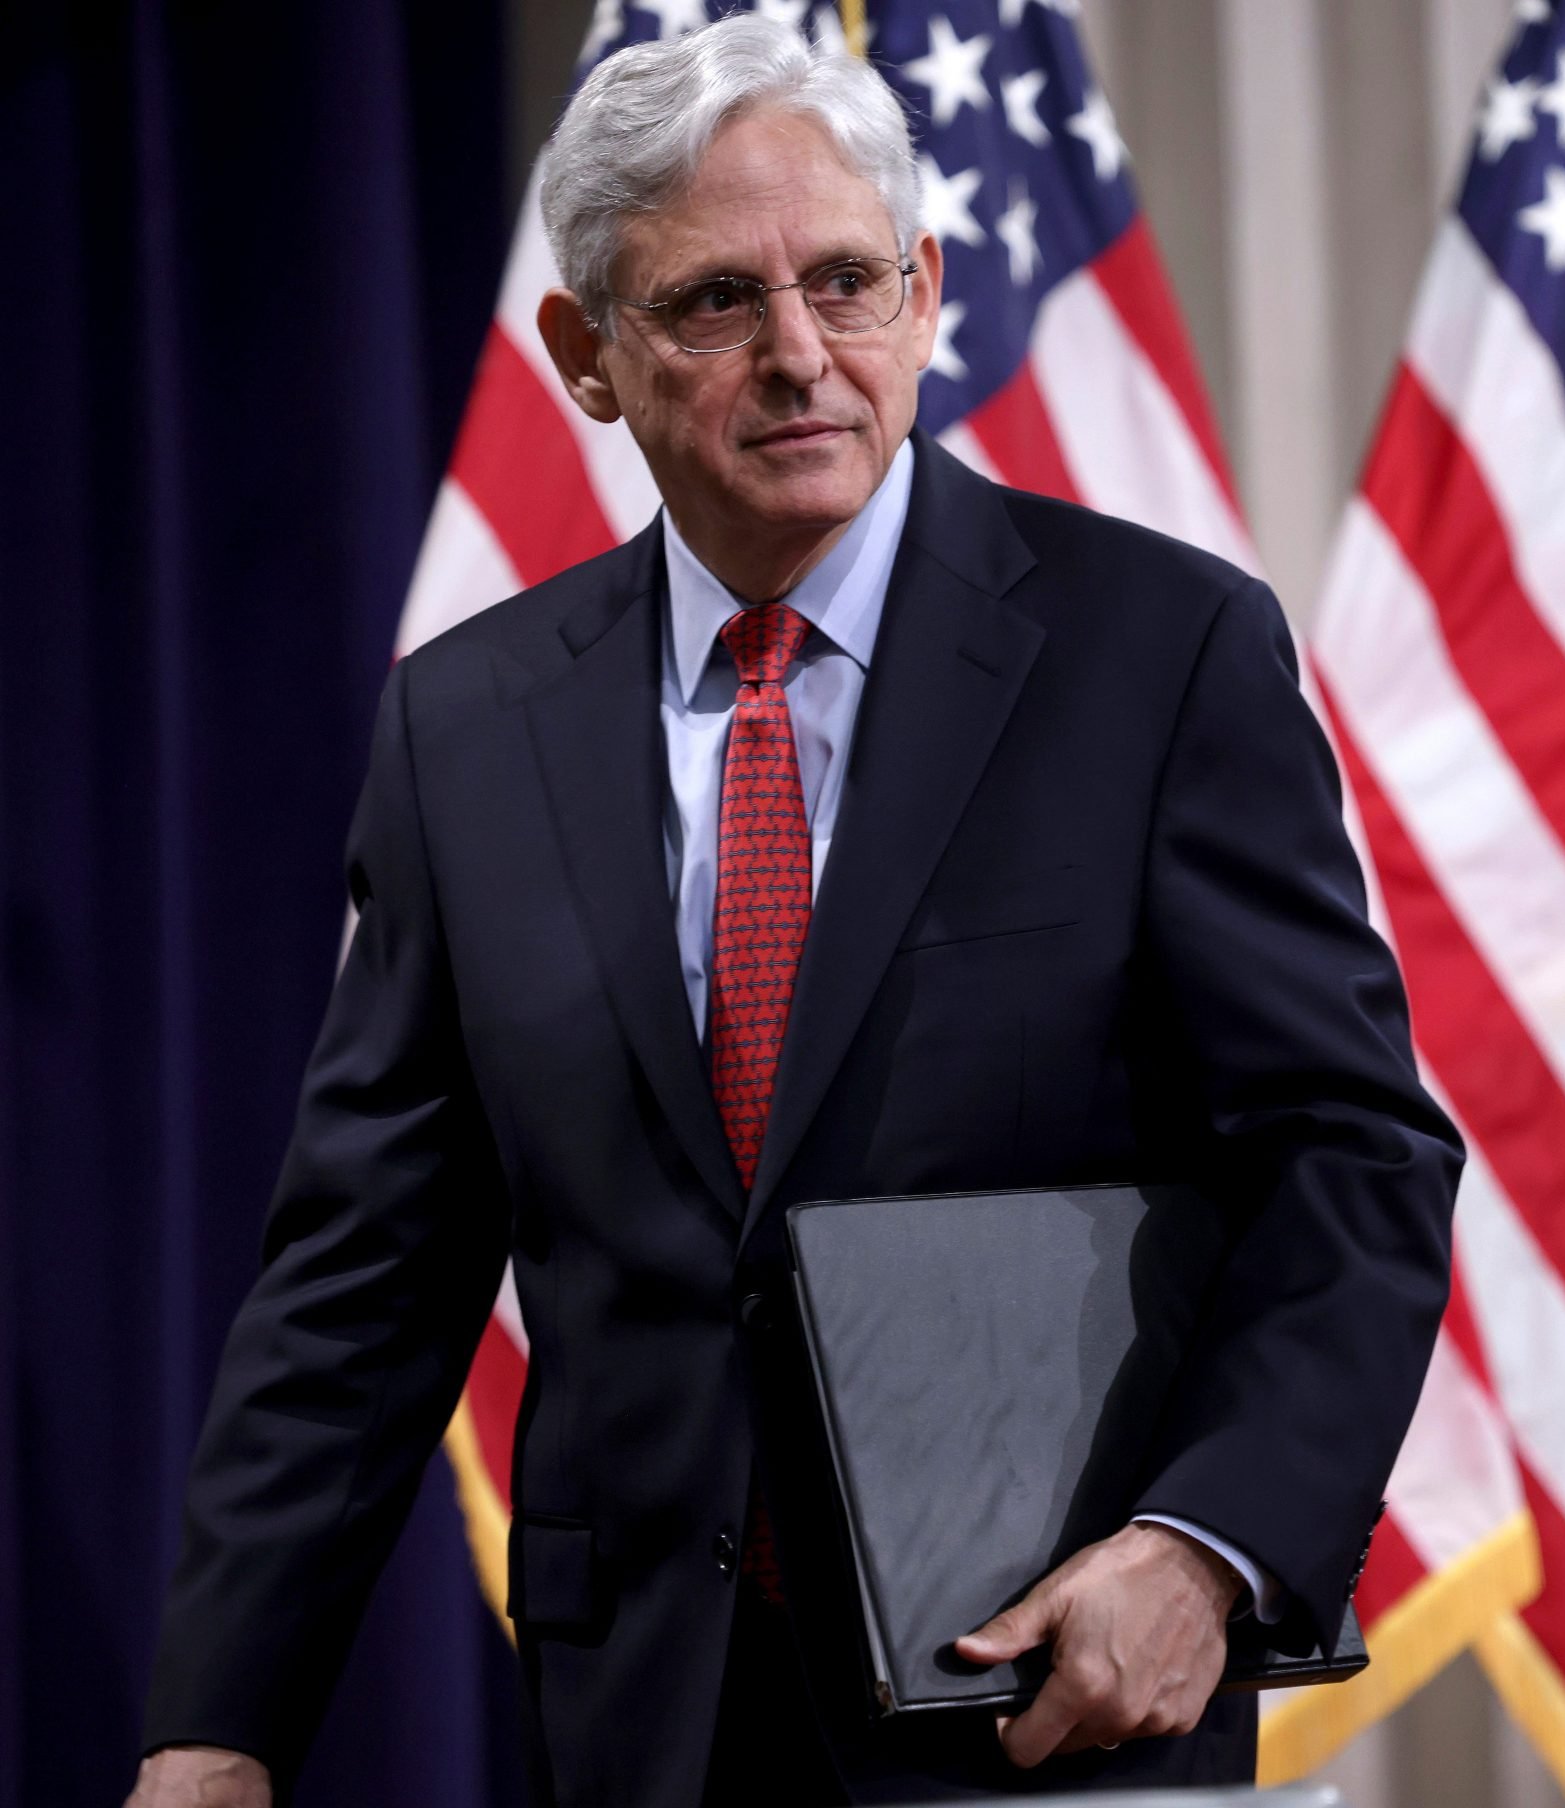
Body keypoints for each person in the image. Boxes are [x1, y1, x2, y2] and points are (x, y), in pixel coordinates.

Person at [126, 17, 1460, 1807]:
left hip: (1050, 1700)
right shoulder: (466, 728)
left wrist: (1207, 1547)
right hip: (648, 1729)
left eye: (846, 282)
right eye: (714, 306)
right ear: (586, 357)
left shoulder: (1160, 658)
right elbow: (363, 1283)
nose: (801, 358)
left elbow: (1353, 1158)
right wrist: (215, 1730)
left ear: (924, 294)